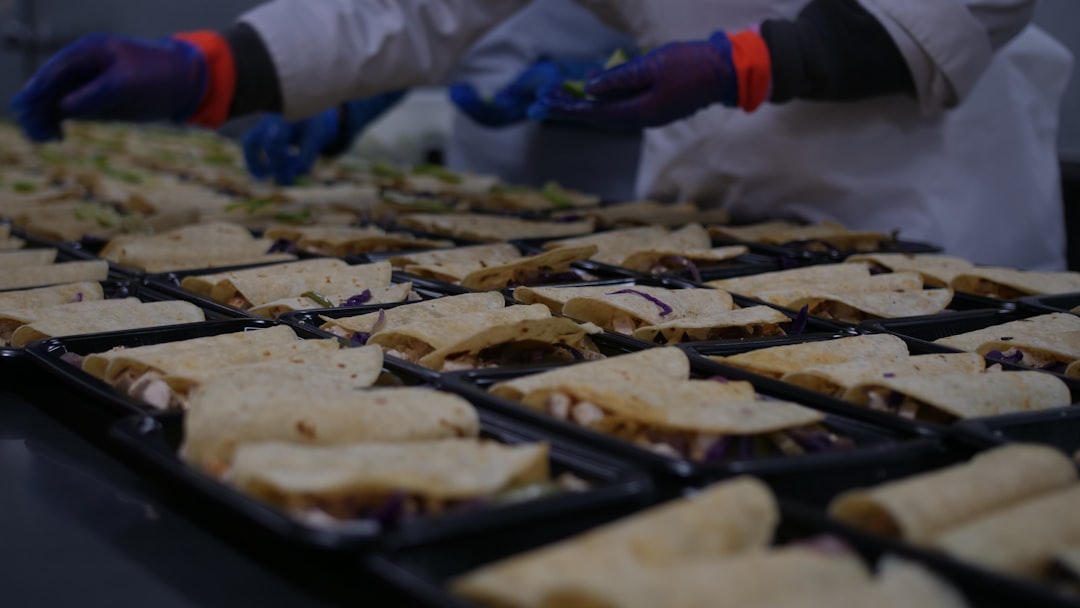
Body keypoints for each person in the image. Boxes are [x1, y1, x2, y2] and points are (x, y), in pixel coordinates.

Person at [9, 0, 1072, 269]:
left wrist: (754, 58)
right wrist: (213, 64)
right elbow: (405, 9)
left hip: (929, 185)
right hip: (710, 194)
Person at [240, 0, 642, 200]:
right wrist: (342, 107)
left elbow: (674, 41)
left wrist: (592, 82)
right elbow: (421, 28)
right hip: (479, 182)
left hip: (606, 181)